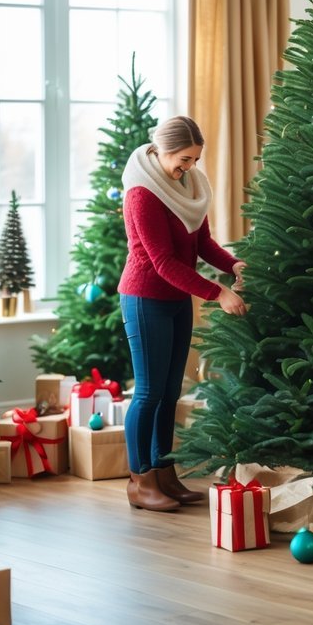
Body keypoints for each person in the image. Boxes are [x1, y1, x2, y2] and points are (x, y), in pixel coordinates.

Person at [118, 115, 246, 511]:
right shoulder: (142, 194)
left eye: (195, 160)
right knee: (149, 391)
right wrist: (217, 292)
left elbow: (202, 242)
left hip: (176, 299)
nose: (189, 167)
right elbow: (163, 263)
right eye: (183, 159)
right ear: (162, 151)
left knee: (171, 390)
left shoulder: (189, 186)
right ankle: (140, 481)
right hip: (145, 298)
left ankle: (164, 472)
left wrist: (234, 265)